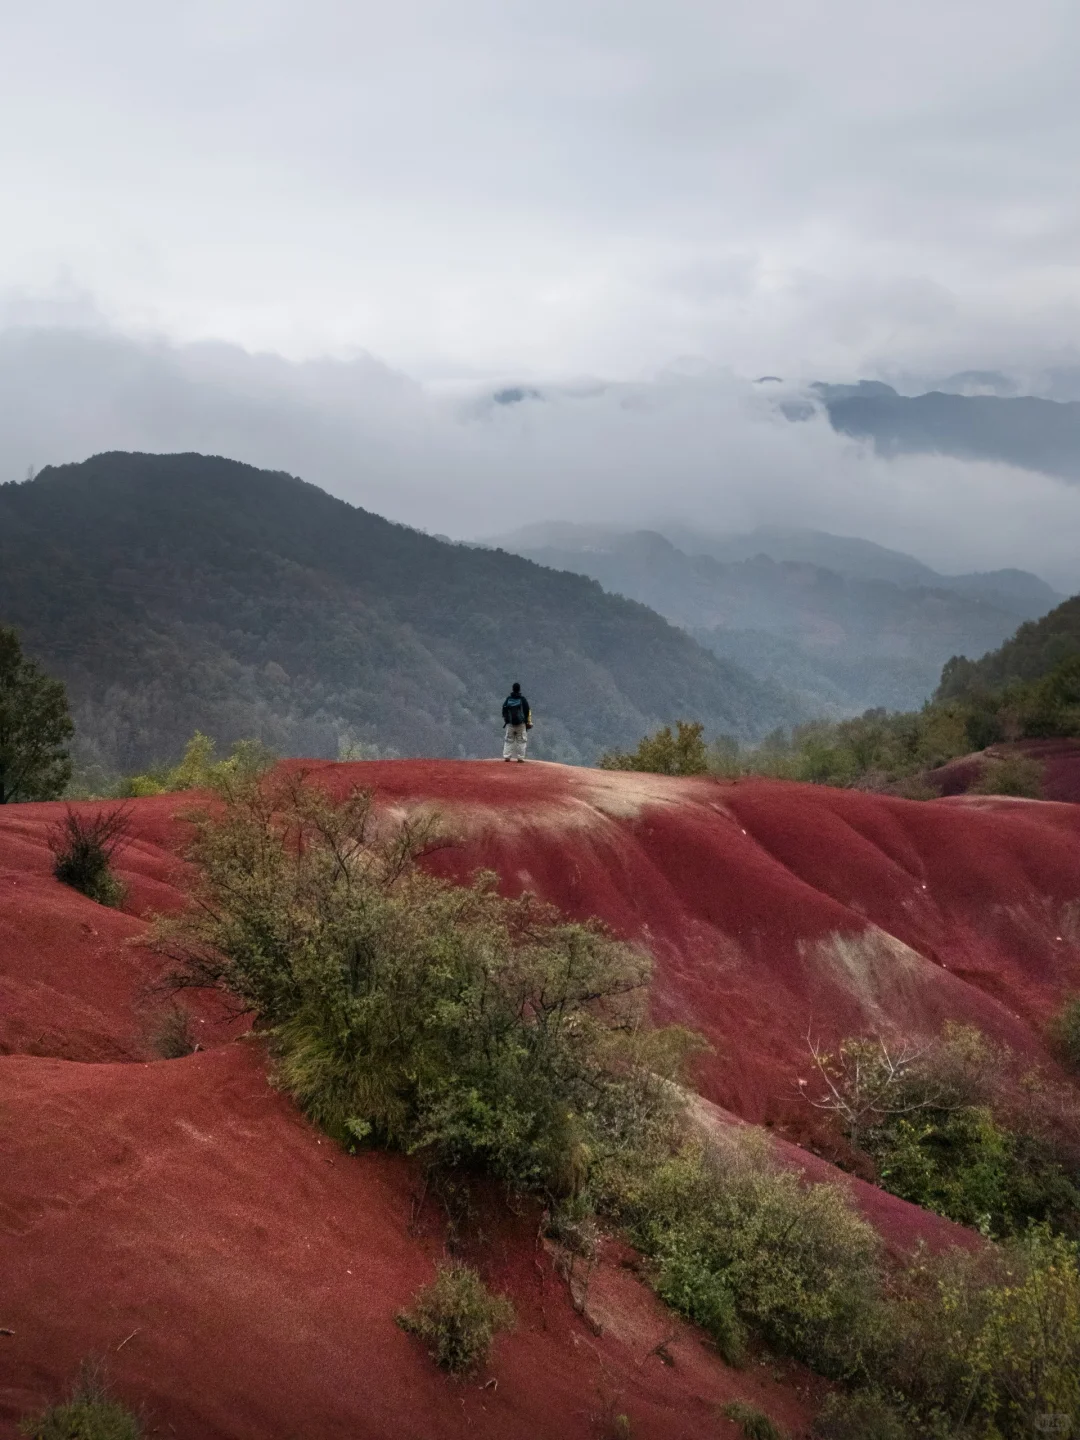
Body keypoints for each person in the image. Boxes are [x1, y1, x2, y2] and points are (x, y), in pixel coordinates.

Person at [501, 682, 532, 762]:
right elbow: (527, 711)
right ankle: (520, 758)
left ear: (512, 689)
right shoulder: (522, 700)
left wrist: (507, 720)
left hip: (510, 724)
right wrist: (527, 722)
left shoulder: (508, 699)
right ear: (519, 689)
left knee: (509, 740)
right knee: (521, 741)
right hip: (521, 724)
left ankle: (507, 756)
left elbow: (504, 710)